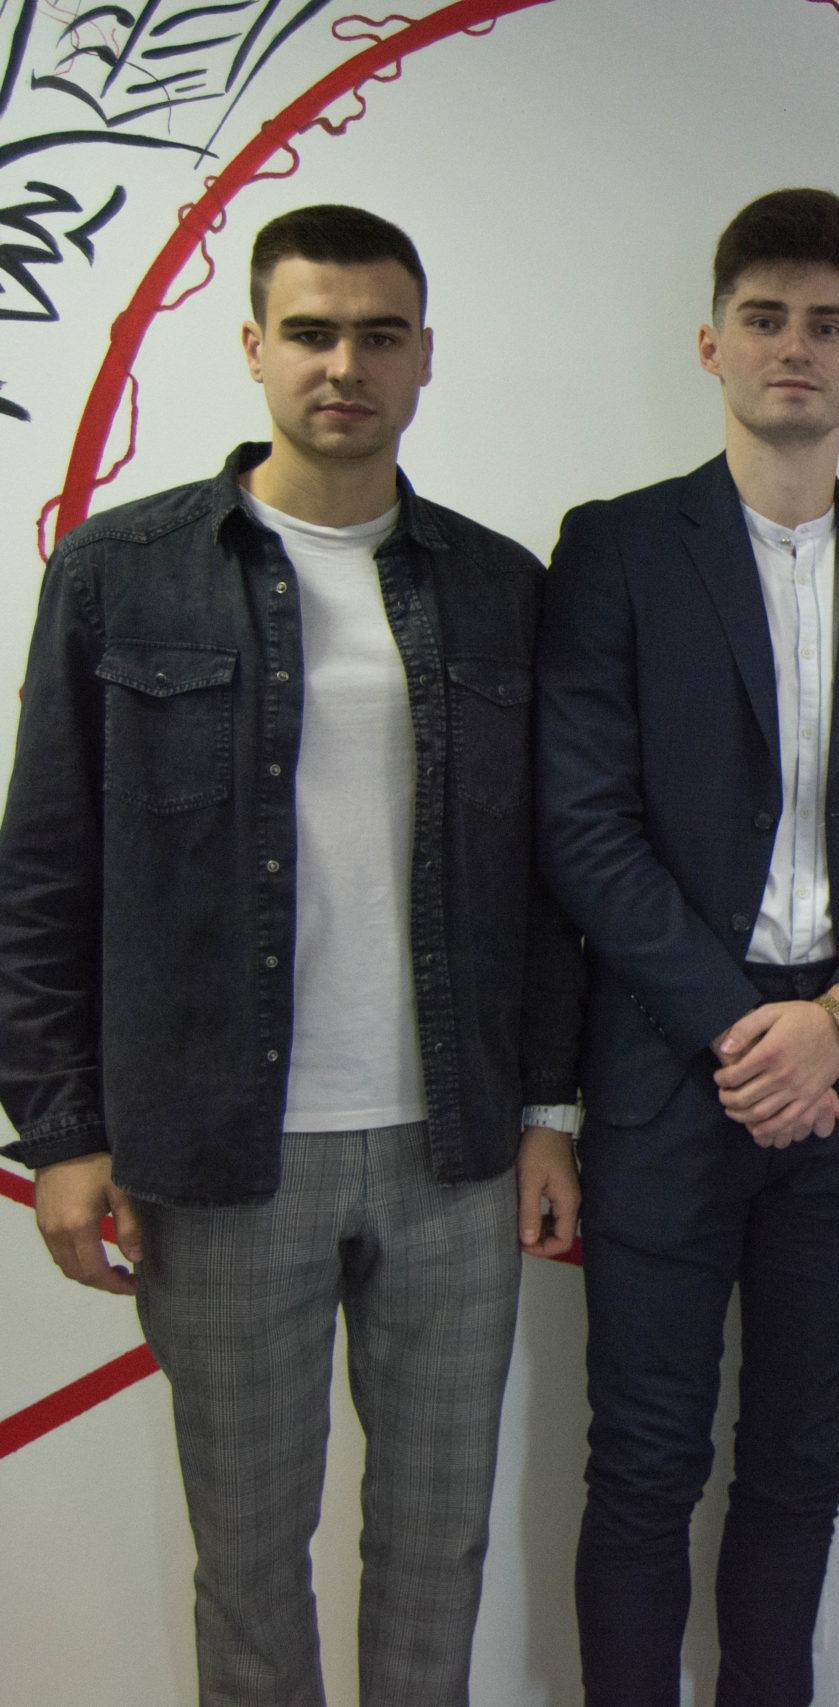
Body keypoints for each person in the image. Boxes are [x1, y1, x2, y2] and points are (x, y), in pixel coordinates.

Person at [0, 204, 582, 1706]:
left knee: (437, 1549)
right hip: (214, 1150)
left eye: (379, 336)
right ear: (254, 346)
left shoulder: (500, 587)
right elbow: (45, 871)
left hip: (454, 1149)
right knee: (251, 1565)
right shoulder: (121, 571)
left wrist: (547, 1110)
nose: (345, 366)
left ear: (425, 356)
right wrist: (61, 1133)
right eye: (312, 333)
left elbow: (545, 886)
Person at [536, 188, 839, 1705]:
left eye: (827, 323)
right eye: (766, 318)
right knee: (644, 1461)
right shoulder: (614, 548)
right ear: (711, 342)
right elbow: (583, 825)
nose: (795, 346)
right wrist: (748, 1032)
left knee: (802, 1461)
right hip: (675, 1070)